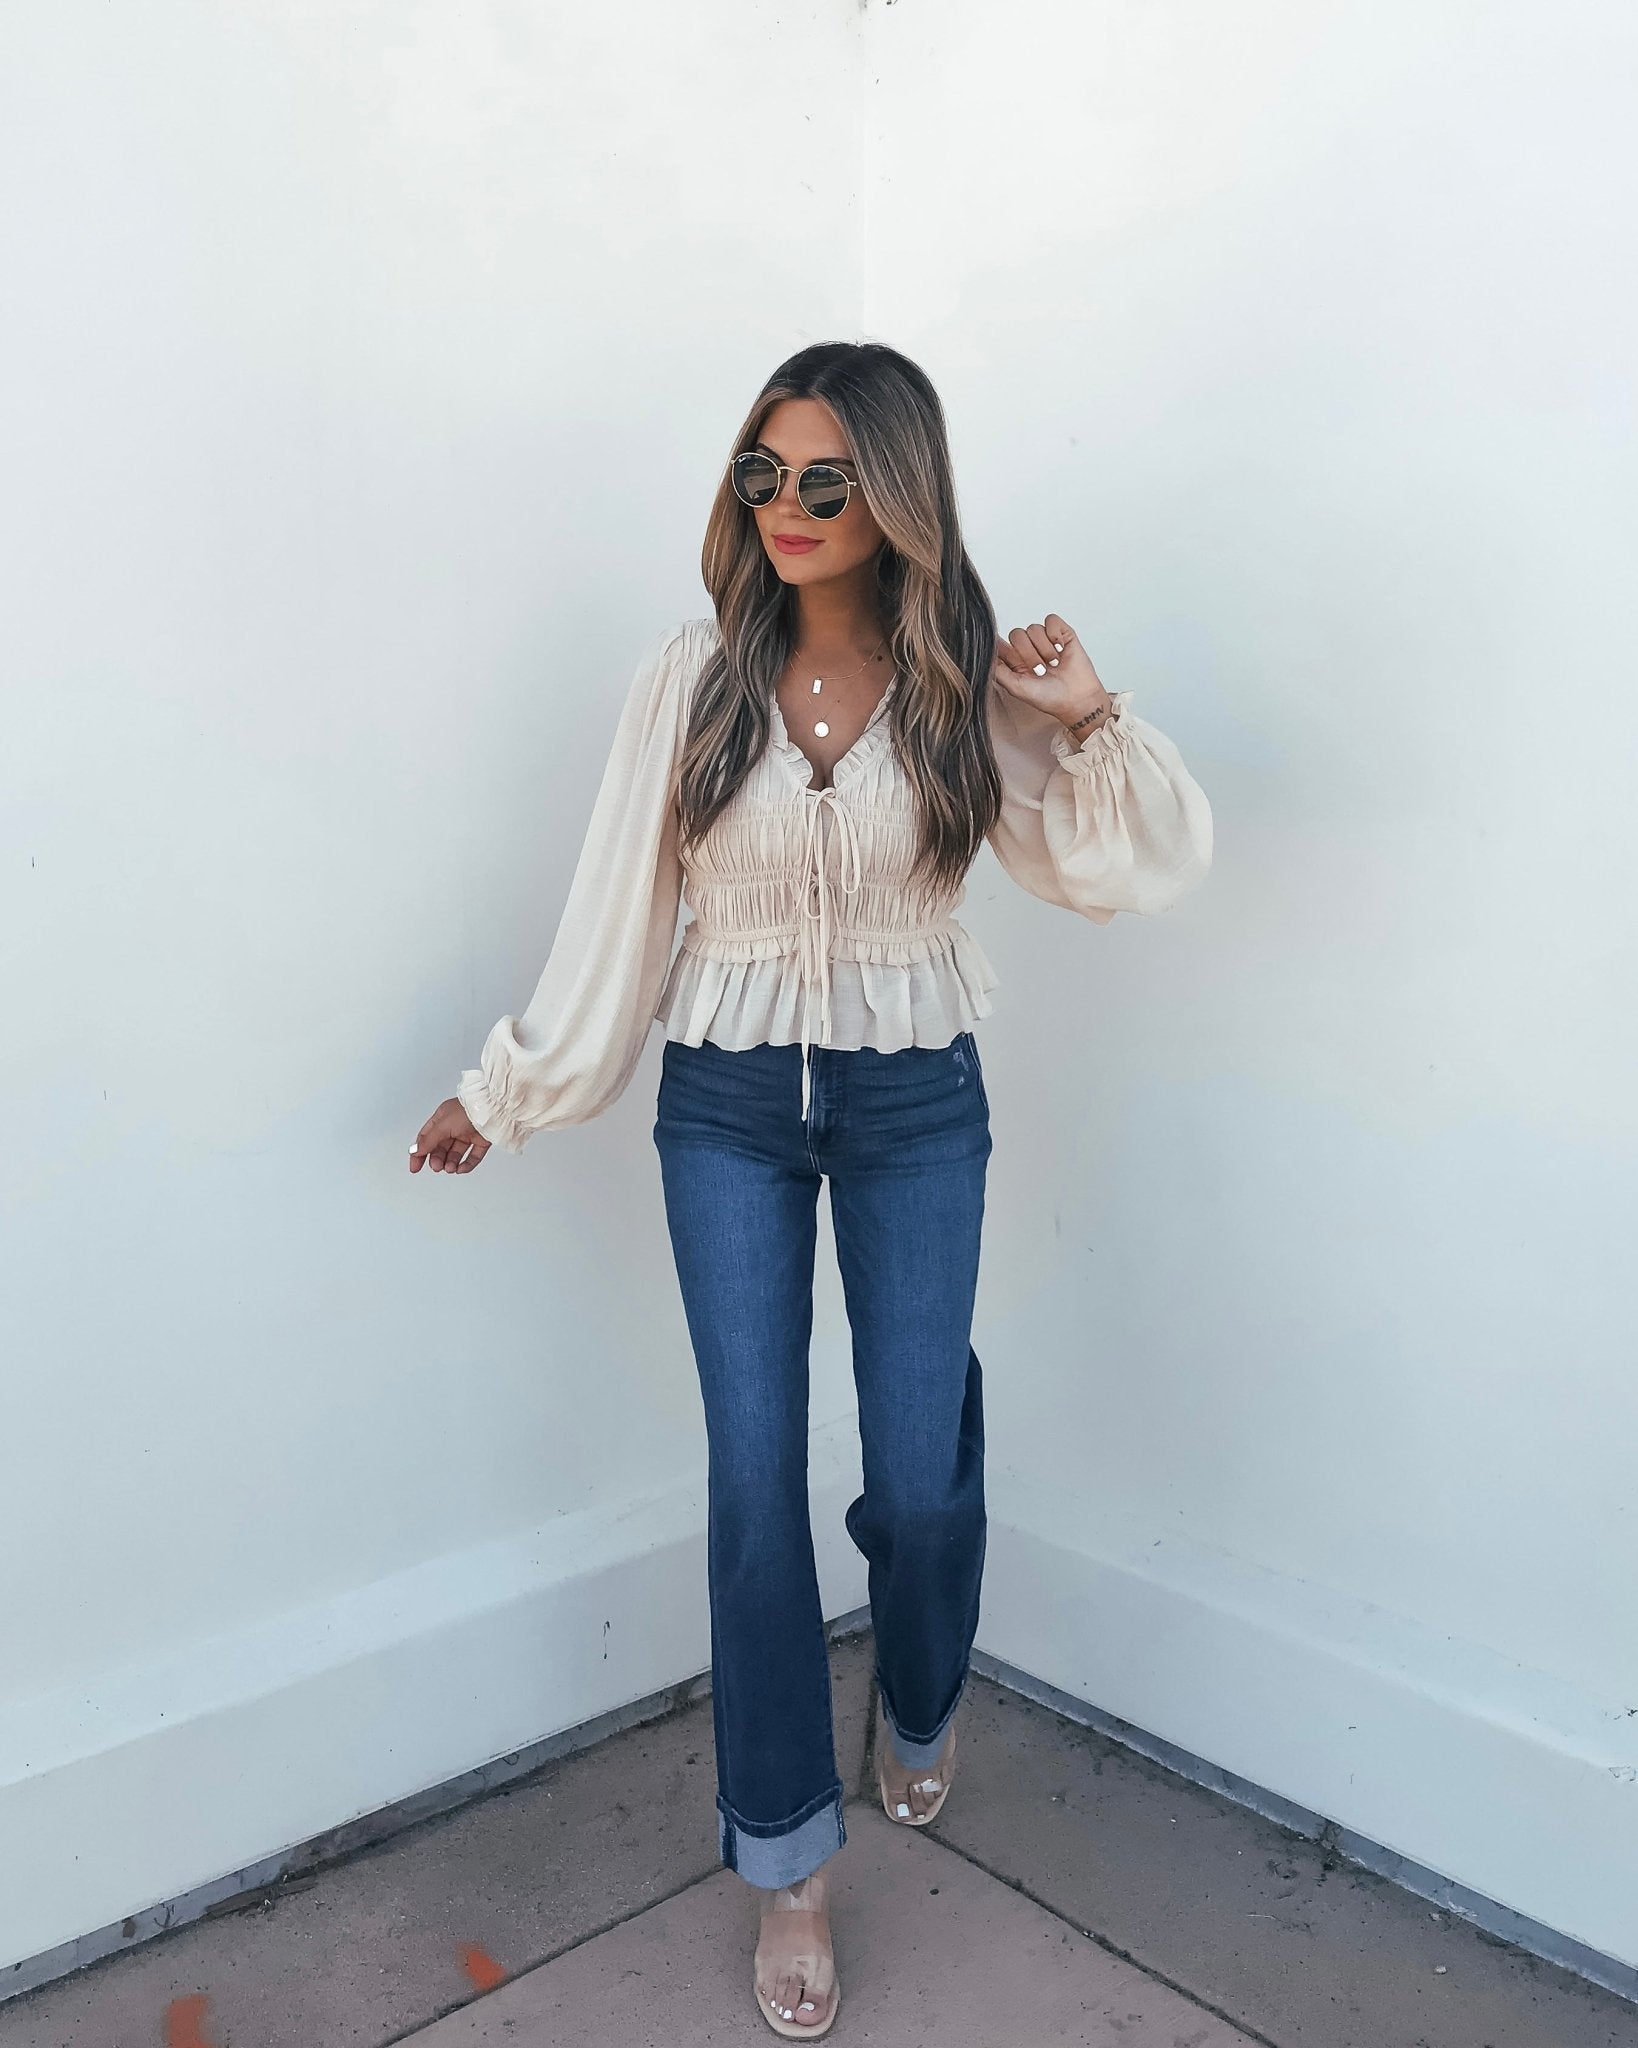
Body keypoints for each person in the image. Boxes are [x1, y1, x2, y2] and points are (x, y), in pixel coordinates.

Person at [410, 340, 1212, 2038]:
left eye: (826, 480)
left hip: (918, 1096)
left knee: (918, 1479)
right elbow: (617, 908)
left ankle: (917, 1705)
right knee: (755, 1483)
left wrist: (1083, 720)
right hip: (723, 1104)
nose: (783, 506)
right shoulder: (688, 679)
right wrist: (515, 1084)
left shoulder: (956, 687)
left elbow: (1107, 866)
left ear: (897, 494)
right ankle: (787, 1865)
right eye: (762, 474)